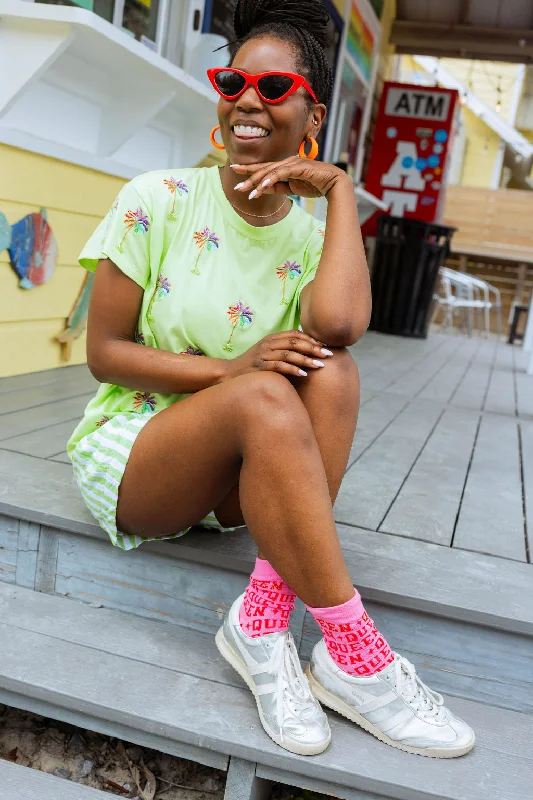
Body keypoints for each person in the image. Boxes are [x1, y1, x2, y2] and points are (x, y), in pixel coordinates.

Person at [68, 0, 474, 760]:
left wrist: (342, 192)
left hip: (243, 470)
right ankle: (358, 657)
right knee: (260, 389)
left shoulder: (315, 231)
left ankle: (260, 617)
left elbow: (342, 329)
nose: (249, 98)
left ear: (311, 112)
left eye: (274, 87)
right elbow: (105, 353)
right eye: (233, 80)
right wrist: (231, 370)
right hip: (140, 455)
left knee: (332, 370)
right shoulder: (156, 199)